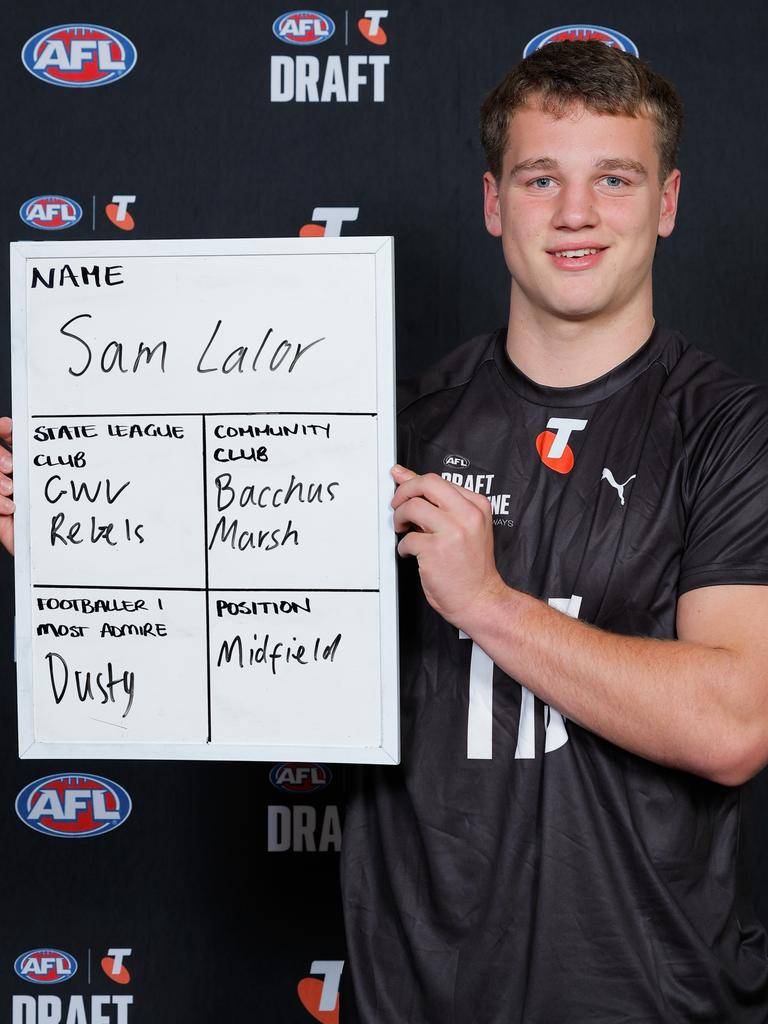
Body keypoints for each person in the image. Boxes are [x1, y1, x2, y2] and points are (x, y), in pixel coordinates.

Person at [340, 41, 768, 1022]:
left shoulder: (731, 431)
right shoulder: (395, 430)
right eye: (542, 179)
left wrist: (486, 604)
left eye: (613, 179)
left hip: (655, 999)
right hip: (416, 999)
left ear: (665, 203)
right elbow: (256, 658)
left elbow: (736, 720)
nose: (576, 214)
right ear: (494, 203)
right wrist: (108, 552)